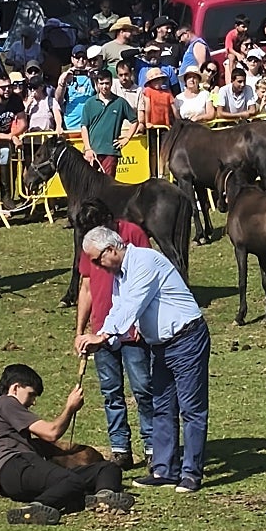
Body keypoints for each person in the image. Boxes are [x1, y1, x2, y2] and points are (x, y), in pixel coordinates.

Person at [78, 227, 210, 494]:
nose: (96, 267)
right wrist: (107, 341)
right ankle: (163, 470)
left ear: (111, 250)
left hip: (186, 339)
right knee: (161, 405)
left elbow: (132, 305)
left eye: (96, 260)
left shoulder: (146, 262)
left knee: (191, 409)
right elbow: (120, 310)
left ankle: (191, 474)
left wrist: (101, 336)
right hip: (160, 346)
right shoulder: (120, 274)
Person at [0, 363, 134, 525]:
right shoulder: (6, 402)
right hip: (17, 465)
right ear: (15, 388)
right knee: (71, 481)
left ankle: (103, 498)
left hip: (17, 473)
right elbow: (51, 432)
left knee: (107, 468)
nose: (33, 402)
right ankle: (36, 508)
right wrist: (70, 408)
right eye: (31, 394)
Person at [74, 198, 153, 470]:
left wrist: (142, 324)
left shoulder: (132, 234)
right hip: (101, 331)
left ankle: (153, 446)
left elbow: (147, 279)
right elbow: (85, 287)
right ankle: (120, 449)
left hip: (131, 331)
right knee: (111, 392)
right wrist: (80, 329)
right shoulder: (89, 246)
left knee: (143, 388)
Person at [81, 69, 137, 176]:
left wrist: (126, 138)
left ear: (111, 83)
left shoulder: (120, 102)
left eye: (107, 83)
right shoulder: (90, 103)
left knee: (108, 186)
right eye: (101, 83)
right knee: (88, 185)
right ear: (97, 84)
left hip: (110, 152)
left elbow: (134, 121)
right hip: (92, 152)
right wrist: (88, 148)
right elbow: (84, 127)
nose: (104, 86)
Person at [0, 73, 26, 210]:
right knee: (0, 161)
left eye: (9, 86)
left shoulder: (15, 100)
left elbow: (23, 123)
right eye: (3, 88)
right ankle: (0, 196)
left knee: (12, 165)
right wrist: (11, 137)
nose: (7, 90)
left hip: (10, 139)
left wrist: (12, 135)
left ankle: (9, 195)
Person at [55, 44, 95, 132]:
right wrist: (64, 82)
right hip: (71, 124)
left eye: (83, 57)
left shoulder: (93, 75)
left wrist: (94, 79)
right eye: (78, 57)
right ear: (72, 59)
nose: (81, 60)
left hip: (91, 123)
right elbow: (58, 99)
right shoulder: (65, 76)